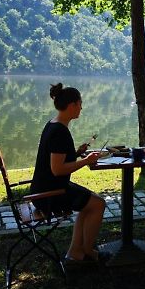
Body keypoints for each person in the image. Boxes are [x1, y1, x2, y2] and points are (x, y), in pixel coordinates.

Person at [30, 83, 106, 266]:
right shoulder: (60, 132)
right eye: (80, 103)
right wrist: (86, 161)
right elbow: (58, 170)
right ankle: (88, 252)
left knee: (89, 204)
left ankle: (76, 252)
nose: (81, 107)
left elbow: (58, 160)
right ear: (72, 105)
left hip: (46, 187)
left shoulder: (53, 124)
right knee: (98, 205)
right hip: (50, 194)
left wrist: (77, 153)